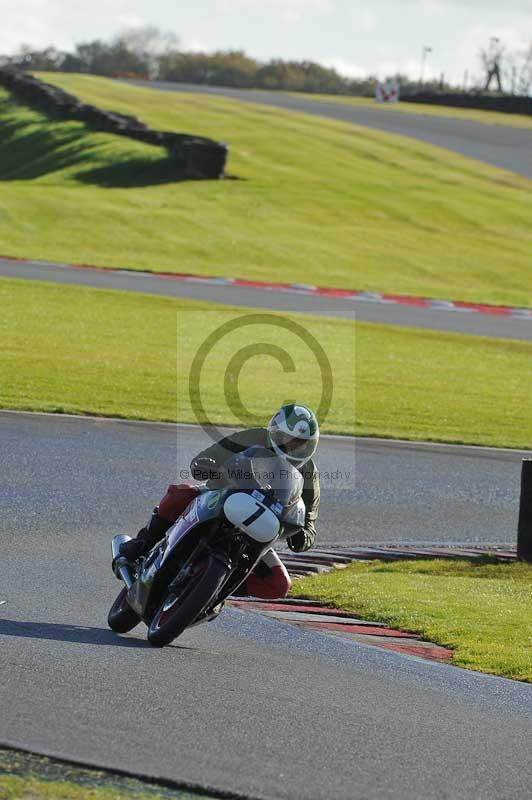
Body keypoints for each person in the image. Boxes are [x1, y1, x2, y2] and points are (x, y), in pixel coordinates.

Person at [120, 403, 320, 599]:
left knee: (279, 585)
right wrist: (206, 465)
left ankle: (218, 591)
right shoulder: (254, 437)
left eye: (301, 443)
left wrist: (302, 536)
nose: (294, 447)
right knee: (179, 494)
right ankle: (143, 543)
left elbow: (309, 520)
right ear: (276, 432)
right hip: (221, 497)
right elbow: (210, 456)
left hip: (257, 528)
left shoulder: (308, 472)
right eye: (290, 439)